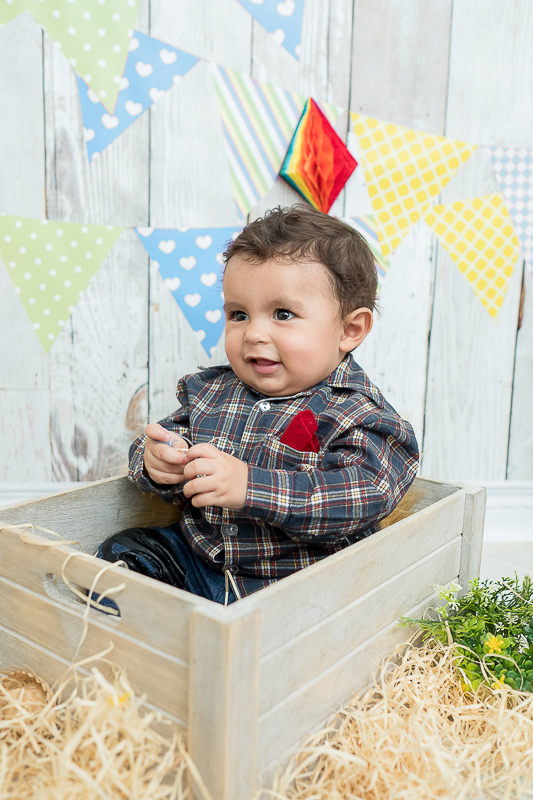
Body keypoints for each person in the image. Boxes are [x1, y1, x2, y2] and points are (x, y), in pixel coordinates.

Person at [96, 205, 419, 605]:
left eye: (283, 314)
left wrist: (250, 486)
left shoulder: (359, 414)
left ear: (350, 330)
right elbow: (166, 444)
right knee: (124, 552)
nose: (254, 333)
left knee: (308, 622)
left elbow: (366, 492)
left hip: (294, 587)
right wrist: (156, 462)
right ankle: (144, 641)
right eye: (239, 314)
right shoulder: (211, 392)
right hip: (200, 562)